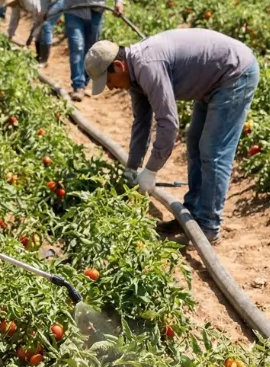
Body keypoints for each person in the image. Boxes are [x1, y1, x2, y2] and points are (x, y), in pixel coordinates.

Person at [84, 29, 259, 244]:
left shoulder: (147, 67)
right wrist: (132, 167)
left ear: (119, 66)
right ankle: (191, 215)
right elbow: (142, 123)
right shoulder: (134, 77)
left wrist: (151, 171)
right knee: (194, 140)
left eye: (108, 80)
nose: (110, 88)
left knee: (213, 152)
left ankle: (208, 226)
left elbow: (168, 123)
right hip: (213, 80)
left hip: (234, 74)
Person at [0, 0, 65, 66]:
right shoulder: (16, 3)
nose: (8, 5)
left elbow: (39, 18)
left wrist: (29, 40)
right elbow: (14, 19)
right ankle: (38, 56)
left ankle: (44, 60)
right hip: (46, 1)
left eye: (8, 2)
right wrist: (10, 36)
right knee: (38, 29)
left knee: (45, 26)